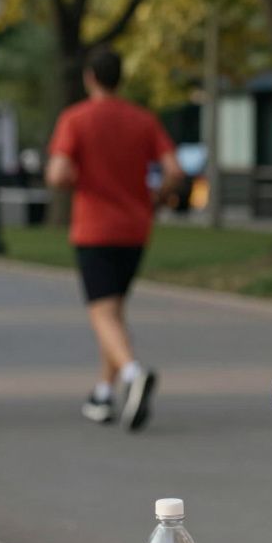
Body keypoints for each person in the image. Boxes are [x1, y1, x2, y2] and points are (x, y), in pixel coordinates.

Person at [45, 46, 182, 431]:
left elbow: (56, 174)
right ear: (120, 78)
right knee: (114, 310)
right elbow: (174, 169)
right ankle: (103, 394)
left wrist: (75, 178)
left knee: (101, 312)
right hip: (136, 229)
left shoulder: (75, 119)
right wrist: (156, 197)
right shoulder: (143, 120)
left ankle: (132, 374)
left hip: (94, 228)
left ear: (90, 77)